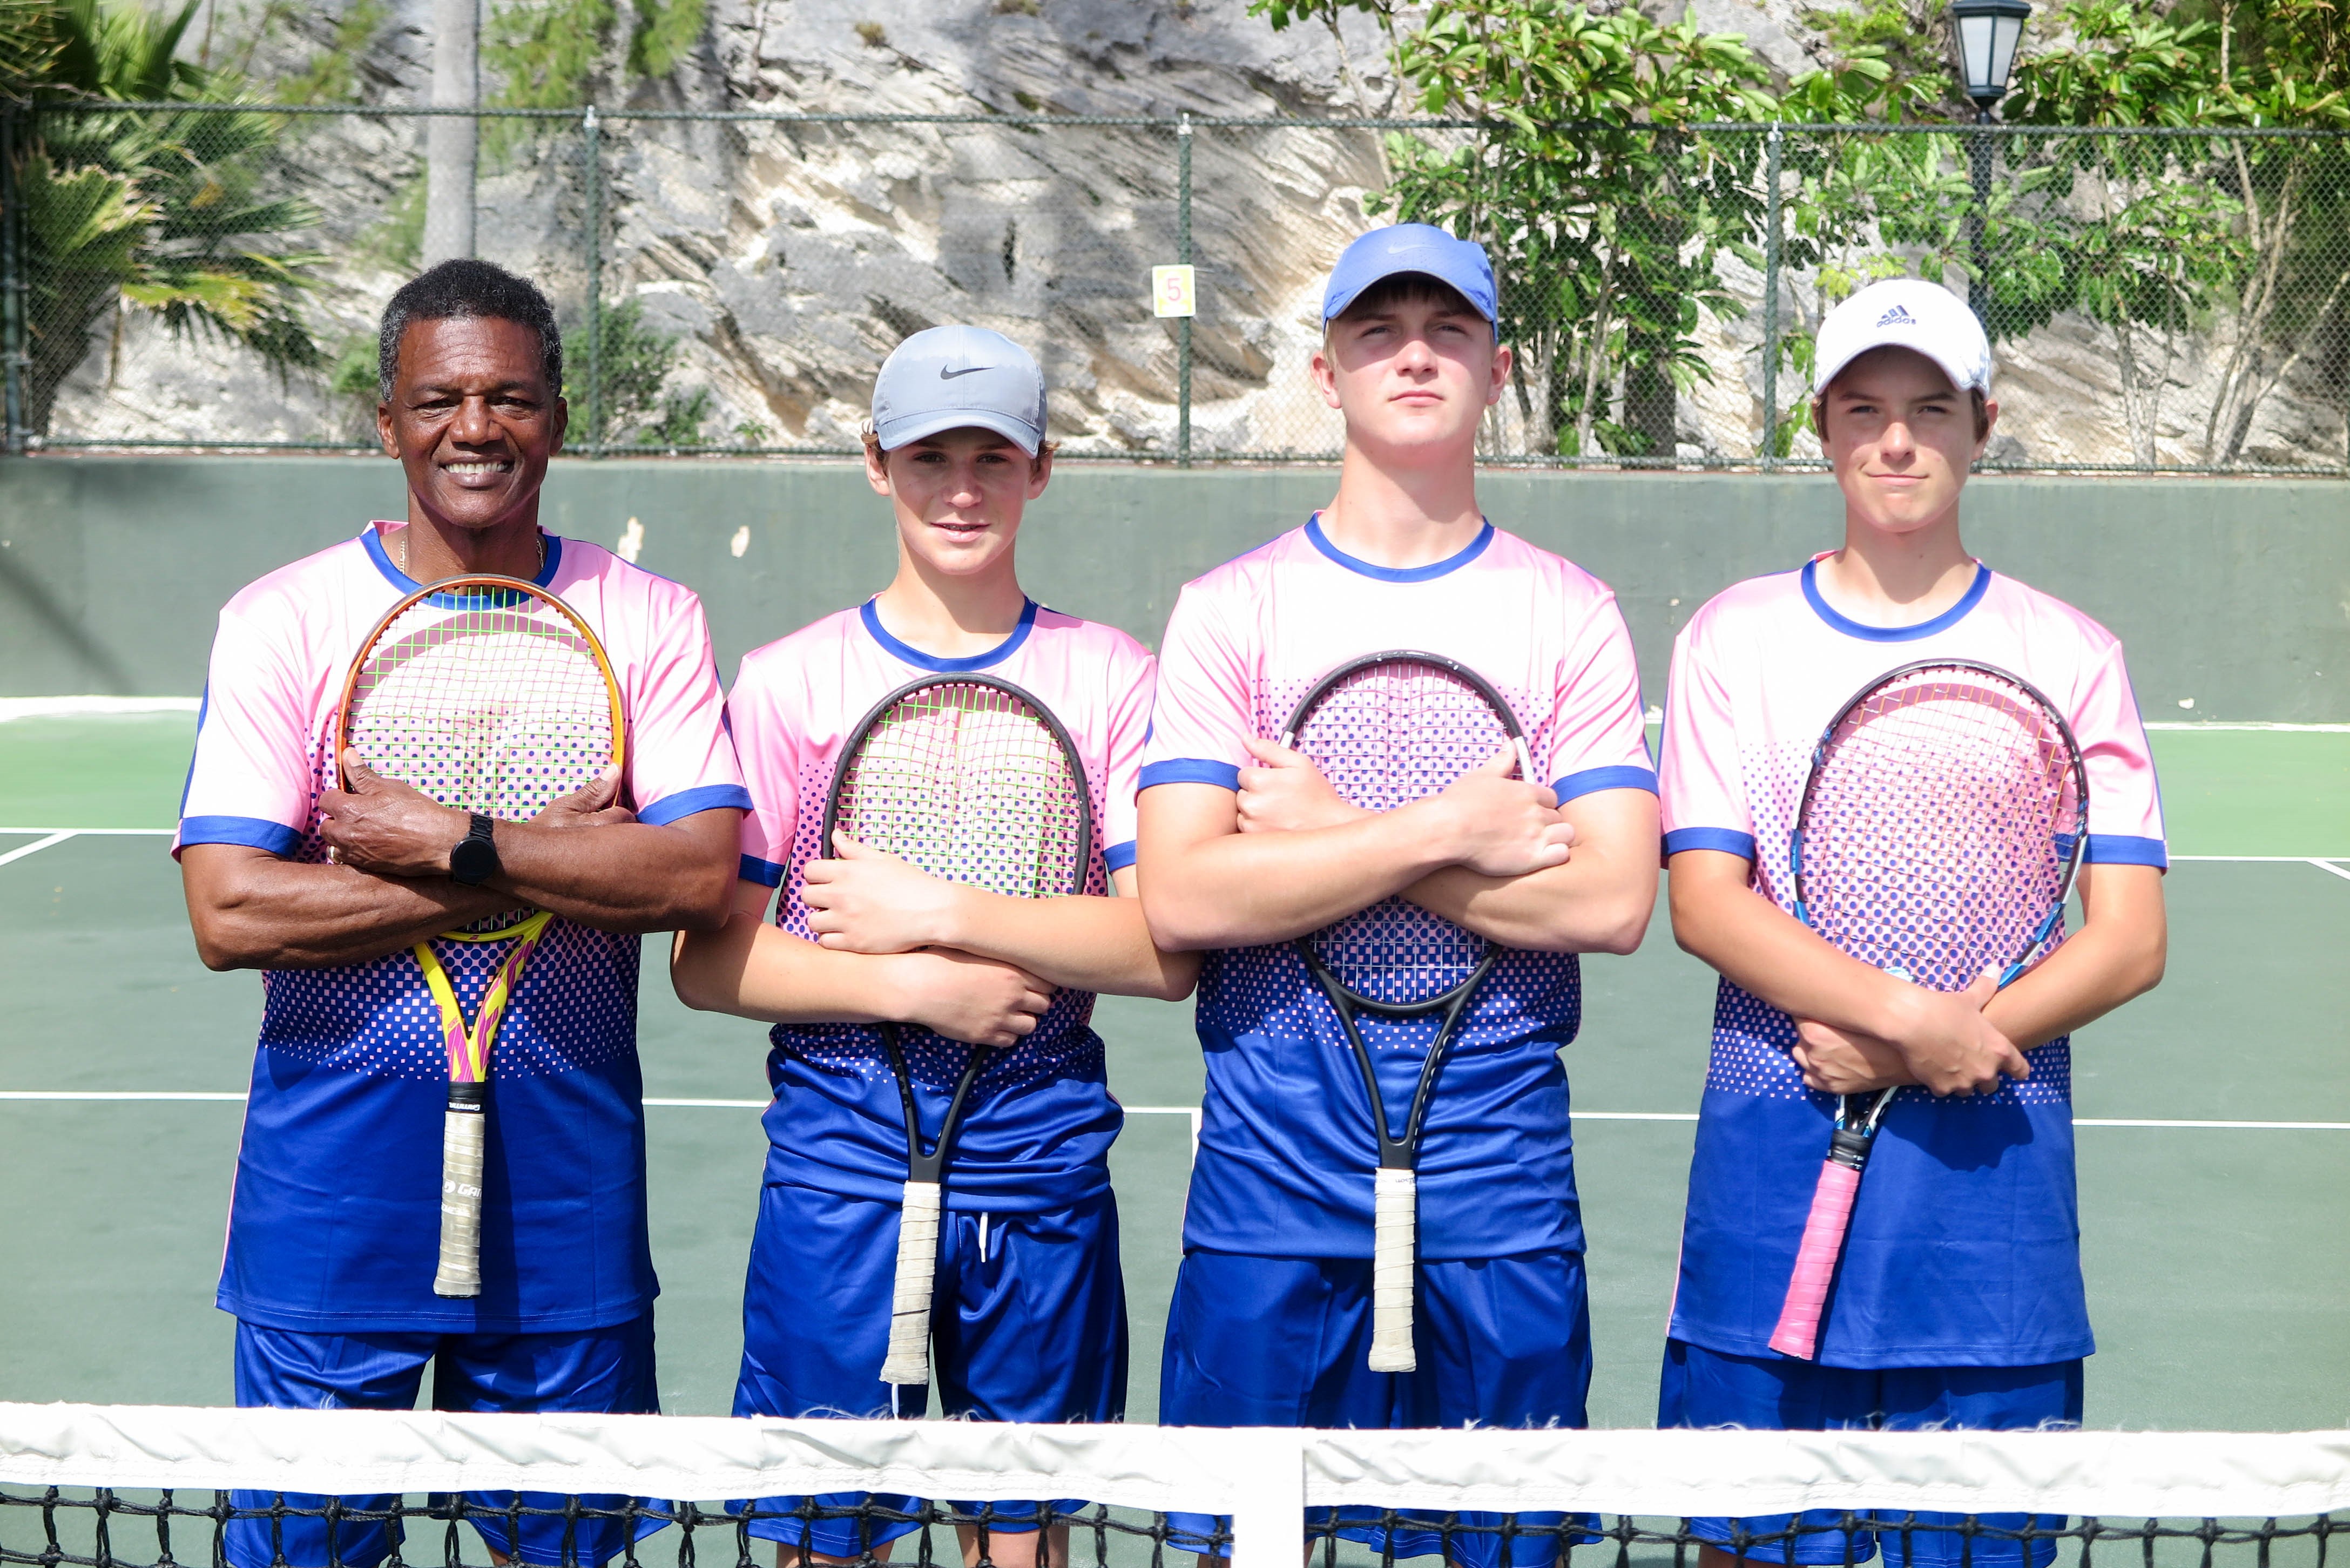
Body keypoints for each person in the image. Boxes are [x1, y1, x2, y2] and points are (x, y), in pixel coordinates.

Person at [176, 259, 748, 1568]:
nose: (474, 429)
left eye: (510, 398)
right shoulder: (282, 623)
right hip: (327, 1209)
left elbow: (692, 877)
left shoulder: (650, 618)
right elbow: (230, 912)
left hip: (566, 1217)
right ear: (387, 422)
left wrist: (453, 840)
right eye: (439, 400)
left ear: (557, 418)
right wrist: (549, 858)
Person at [1132, 225, 1663, 1567]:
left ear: (1496, 369)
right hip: (1270, 1154)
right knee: (1247, 1542)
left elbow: (1608, 901)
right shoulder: (1230, 611)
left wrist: (1328, 839)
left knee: (1508, 1544)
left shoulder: (1570, 613)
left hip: (1499, 1159)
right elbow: (1189, 895)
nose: (1414, 353)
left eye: (1448, 330)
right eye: (1379, 329)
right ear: (1327, 373)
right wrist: (1452, 833)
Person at [1655, 278, 2170, 1568]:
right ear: (1820, 428)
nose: (1897, 440)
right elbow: (1707, 902)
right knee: (1745, 1547)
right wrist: (1903, 1021)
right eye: (1865, 409)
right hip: (1768, 1174)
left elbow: (2127, 937)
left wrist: (1923, 1047)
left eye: (1930, 409)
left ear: (1983, 425)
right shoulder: (1733, 639)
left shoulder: (2073, 652)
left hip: (1992, 1198)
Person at [671, 325, 1196, 1568]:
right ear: (874, 464)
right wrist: (909, 988)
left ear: (1041, 469)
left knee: (1021, 1540)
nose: (961, 490)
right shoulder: (791, 682)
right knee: (821, 1535)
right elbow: (709, 961)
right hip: (837, 1169)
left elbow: (1160, 950)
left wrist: (937, 914)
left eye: (991, 458)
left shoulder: (1114, 678)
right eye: (928, 459)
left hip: (1041, 1167)